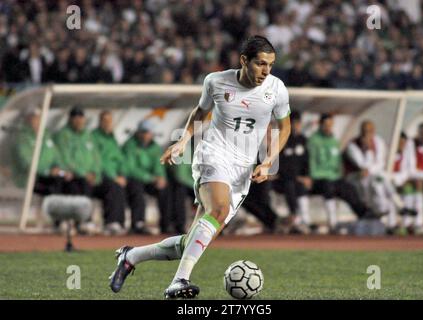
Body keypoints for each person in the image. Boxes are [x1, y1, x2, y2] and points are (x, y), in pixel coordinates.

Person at [109, 35, 291, 299]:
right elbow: (199, 113)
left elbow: (285, 127)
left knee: (190, 243)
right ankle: (179, 281)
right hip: (213, 155)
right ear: (244, 61)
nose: (266, 71)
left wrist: (268, 161)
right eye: (261, 64)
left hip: (242, 172)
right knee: (218, 209)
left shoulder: (277, 89)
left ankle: (131, 256)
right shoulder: (216, 81)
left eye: (271, 65)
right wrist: (183, 141)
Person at [54, 106, 124, 234]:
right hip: (75, 176)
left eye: (81, 118)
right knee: (81, 184)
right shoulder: (63, 135)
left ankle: (111, 223)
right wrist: (83, 173)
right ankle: (84, 221)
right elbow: (64, 158)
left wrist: (95, 174)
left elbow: (96, 158)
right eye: (76, 118)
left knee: (112, 186)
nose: (79, 121)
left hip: (92, 177)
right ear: (70, 119)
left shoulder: (87, 135)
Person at [307, 114, 381, 233]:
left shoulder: (334, 141)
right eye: (326, 125)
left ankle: (365, 214)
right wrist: (312, 176)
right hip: (319, 178)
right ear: (320, 125)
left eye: (330, 125)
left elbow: (338, 163)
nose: (328, 128)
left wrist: (340, 175)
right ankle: (333, 223)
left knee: (349, 188)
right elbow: (311, 163)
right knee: (328, 186)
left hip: (334, 177)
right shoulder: (314, 140)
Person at [344, 121, 413, 233]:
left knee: (379, 181)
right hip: (355, 177)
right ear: (361, 132)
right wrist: (367, 149)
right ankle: (398, 207)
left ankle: (387, 216)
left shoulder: (378, 142)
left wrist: (370, 168)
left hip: (373, 176)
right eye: (365, 132)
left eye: (370, 131)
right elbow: (361, 164)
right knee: (378, 181)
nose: (368, 134)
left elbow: (380, 163)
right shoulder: (352, 145)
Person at [122, 119, 169, 234]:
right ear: (138, 132)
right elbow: (130, 169)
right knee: (137, 190)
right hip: (134, 179)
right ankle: (138, 224)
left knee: (165, 190)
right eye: (143, 132)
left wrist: (160, 177)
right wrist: (151, 178)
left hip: (150, 180)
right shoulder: (130, 145)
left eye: (148, 132)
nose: (145, 135)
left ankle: (167, 224)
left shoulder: (155, 147)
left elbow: (159, 166)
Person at [272, 110, 312, 233]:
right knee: (290, 184)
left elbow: (307, 162)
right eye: (293, 122)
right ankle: (295, 217)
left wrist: (307, 177)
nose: (296, 125)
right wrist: (297, 177)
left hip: (299, 180)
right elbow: (281, 165)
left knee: (300, 186)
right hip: (282, 179)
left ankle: (304, 221)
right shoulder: (281, 139)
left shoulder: (303, 140)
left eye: (298, 123)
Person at [13, 107, 66, 194]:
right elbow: (27, 164)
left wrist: (57, 167)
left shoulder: (46, 135)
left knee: (67, 184)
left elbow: (56, 155)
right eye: (35, 119)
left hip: (49, 176)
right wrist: (47, 171)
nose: (38, 122)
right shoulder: (22, 138)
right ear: (28, 120)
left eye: (39, 118)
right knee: (52, 189)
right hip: (31, 178)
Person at [91, 111, 127, 235]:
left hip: (115, 176)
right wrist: (114, 177)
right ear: (100, 122)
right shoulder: (94, 137)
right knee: (112, 186)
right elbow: (98, 161)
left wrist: (122, 174)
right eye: (105, 121)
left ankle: (120, 223)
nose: (108, 124)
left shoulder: (112, 138)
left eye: (109, 121)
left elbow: (120, 159)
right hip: (99, 177)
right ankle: (110, 222)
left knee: (126, 186)